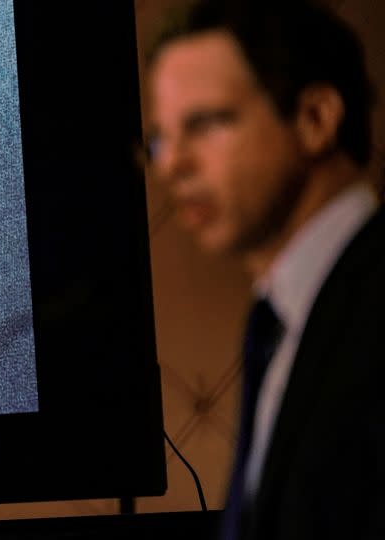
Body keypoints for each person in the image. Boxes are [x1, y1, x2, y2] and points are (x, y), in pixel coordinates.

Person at [144, 1, 383, 539]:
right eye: (161, 137)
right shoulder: (279, 318)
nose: (172, 164)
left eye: (205, 124)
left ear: (315, 118)